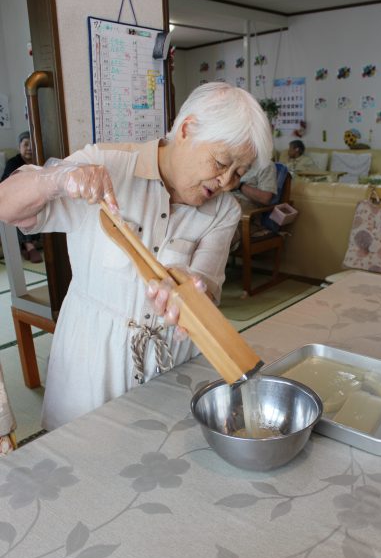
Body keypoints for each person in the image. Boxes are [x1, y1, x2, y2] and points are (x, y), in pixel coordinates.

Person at [0, 82, 272, 430]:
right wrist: (58, 179)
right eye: (221, 163)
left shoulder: (224, 211)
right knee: (80, 460)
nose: (227, 182)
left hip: (170, 362)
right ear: (187, 129)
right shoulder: (105, 165)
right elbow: (7, 206)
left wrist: (190, 285)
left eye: (239, 173)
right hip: (92, 358)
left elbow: (207, 287)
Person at [1, 131, 42, 263]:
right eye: (25, 144)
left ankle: (30, 244)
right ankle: (30, 246)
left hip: (35, 197)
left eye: (32, 144)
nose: (29, 148)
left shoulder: (39, 160)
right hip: (16, 199)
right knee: (19, 211)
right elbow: (5, 185)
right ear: (19, 148)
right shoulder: (13, 163)